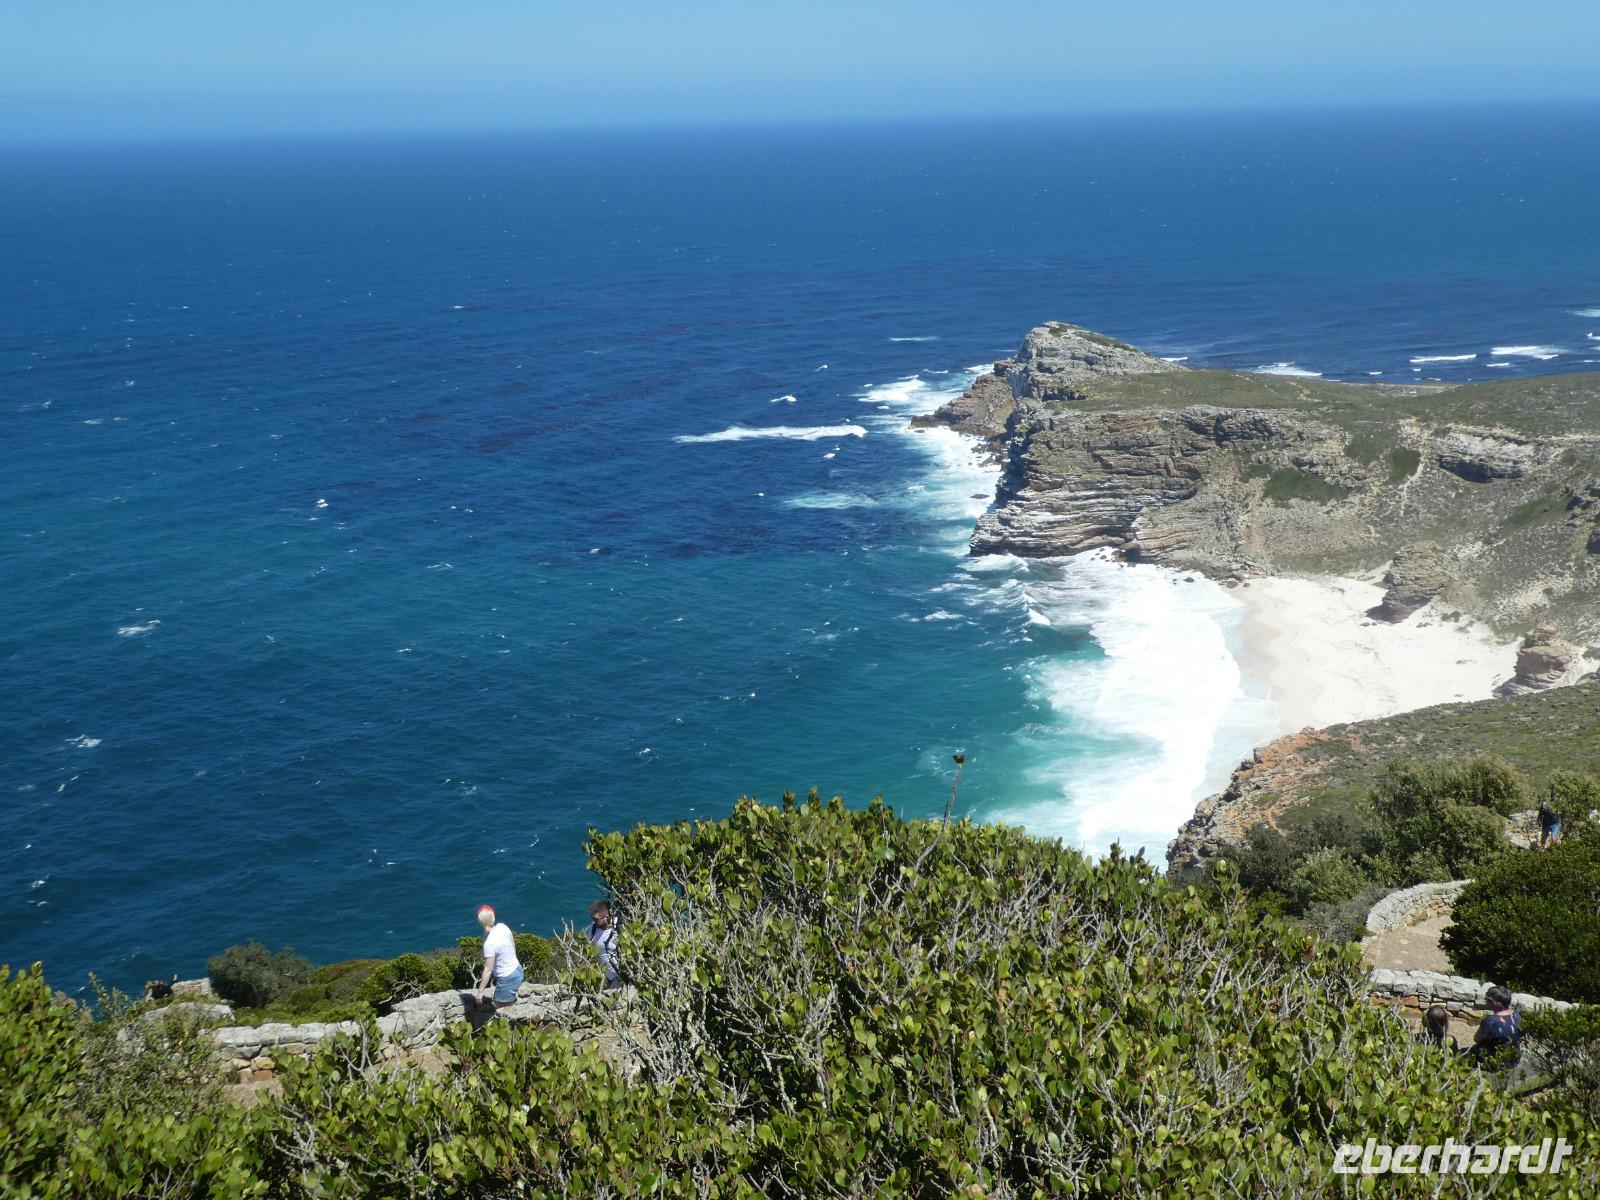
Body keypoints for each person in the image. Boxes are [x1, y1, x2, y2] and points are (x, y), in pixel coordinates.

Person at [472, 904, 523, 1010]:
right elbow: (513, 946)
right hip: (517, 969)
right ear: (493, 917)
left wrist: (480, 992)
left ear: (481, 922)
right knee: (506, 1005)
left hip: (507, 978)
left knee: (501, 1009)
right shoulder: (502, 927)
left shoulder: (489, 943)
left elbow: (488, 970)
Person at [1469, 985, 1521, 1067]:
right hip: (1513, 1059)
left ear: (1493, 1003)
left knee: (1463, 1054)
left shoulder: (1491, 1021)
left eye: (1487, 999)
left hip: (1495, 1061)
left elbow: (1477, 1039)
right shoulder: (1516, 1014)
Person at [586, 900, 621, 988]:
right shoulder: (594, 927)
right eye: (593, 918)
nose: (594, 921)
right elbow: (590, 949)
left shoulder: (619, 926)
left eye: (597, 919)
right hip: (609, 977)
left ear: (607, 916)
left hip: (622, 975)